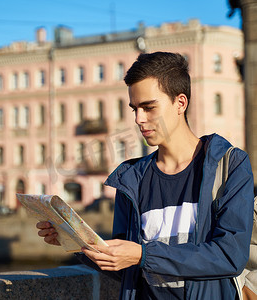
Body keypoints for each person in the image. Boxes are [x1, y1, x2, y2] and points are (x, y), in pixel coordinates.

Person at [37, 52, 254, 300]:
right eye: (135, 109)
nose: (139, 119)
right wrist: (75, 242)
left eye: (149, 107)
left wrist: (143, 254)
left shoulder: (230, 165)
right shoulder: (131, 179)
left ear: (180, 103)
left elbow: (229, 256)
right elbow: (128, 268)